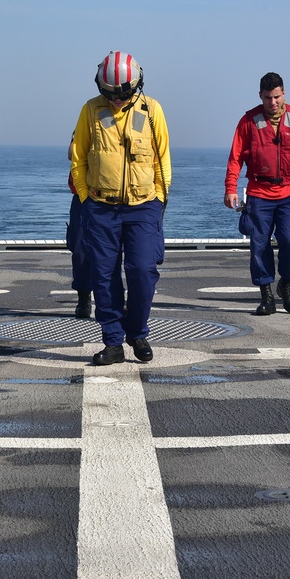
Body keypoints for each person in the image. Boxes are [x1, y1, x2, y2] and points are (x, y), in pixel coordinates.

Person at [71, 51, 170, 365]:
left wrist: (159, 202)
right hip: (101, 208)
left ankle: (137, 332)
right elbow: (79, 159)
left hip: (144, 207)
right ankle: (113, 341)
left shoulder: (151, 110)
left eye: (122, 94)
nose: (116, 100)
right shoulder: (90, 110)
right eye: (110, 94)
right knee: (103, 276)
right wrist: (87, 201)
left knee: (143, 271)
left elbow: (162, 160)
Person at [224, 72, 290, 315]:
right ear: (260, 96)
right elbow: (235, 157)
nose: (273, 102)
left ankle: (285, 283)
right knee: (259, 246)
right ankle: (266, 296)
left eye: (277, 97)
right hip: (259, 193)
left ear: (284, 94)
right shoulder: (248, 121)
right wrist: (231, 187)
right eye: (268, 98)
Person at [66, 134, 92, 319]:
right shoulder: (86, 122)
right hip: (83, 198)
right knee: (80, 251)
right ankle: (83, 297)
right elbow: (71, 153)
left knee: (112, 251)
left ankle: (111, 299)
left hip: (111, 199)